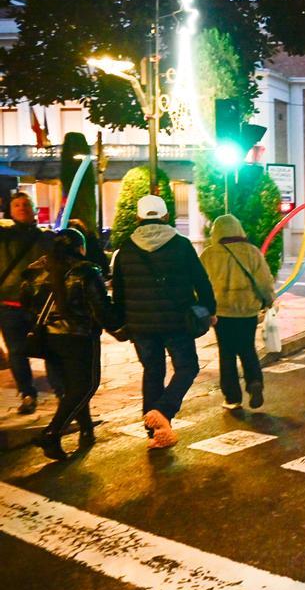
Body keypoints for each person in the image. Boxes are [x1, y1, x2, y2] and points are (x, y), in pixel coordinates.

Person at [112, 194, 216, 449]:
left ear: (137, 218)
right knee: (187, 367)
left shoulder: (125, 249)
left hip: (141, 325)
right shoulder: (181, 245)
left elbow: (119, 292)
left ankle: (155, 433)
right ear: (167, 216)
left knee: (152, 372)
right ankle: (163, 410)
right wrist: (209, 309)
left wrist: (123, 321)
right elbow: (201, 281)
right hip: (176, 321)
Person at [21, 229, 117, 460]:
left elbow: (26, 302)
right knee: (86, 386)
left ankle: (86, 429)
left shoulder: (36, 270)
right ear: (79, 247)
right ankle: (52, 433)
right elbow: (101, 310)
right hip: (79, 336)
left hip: (49, 338)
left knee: (72, 386)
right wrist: (117, 323)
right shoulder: (86, 271)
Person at [200, 214, 276, 412]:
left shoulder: (208, 254)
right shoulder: (252, 252)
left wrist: (202, 306)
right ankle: (254, 382)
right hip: (247, 310)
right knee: (247, 348)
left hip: (221, 313)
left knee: (226, 353)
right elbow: (265, 281)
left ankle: (232, 397)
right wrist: (269, 301)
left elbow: (199, 284)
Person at [0, 192, 59, 413]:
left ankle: (60, 391)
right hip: (10, 305)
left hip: (41, 306)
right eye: (17, 204)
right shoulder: (4, 236)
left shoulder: (47, 238)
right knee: (16, 351)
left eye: (26, 204)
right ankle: (27, 393)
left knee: (51, 349)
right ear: (10, 210)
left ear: (34, 209)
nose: (22, 207)